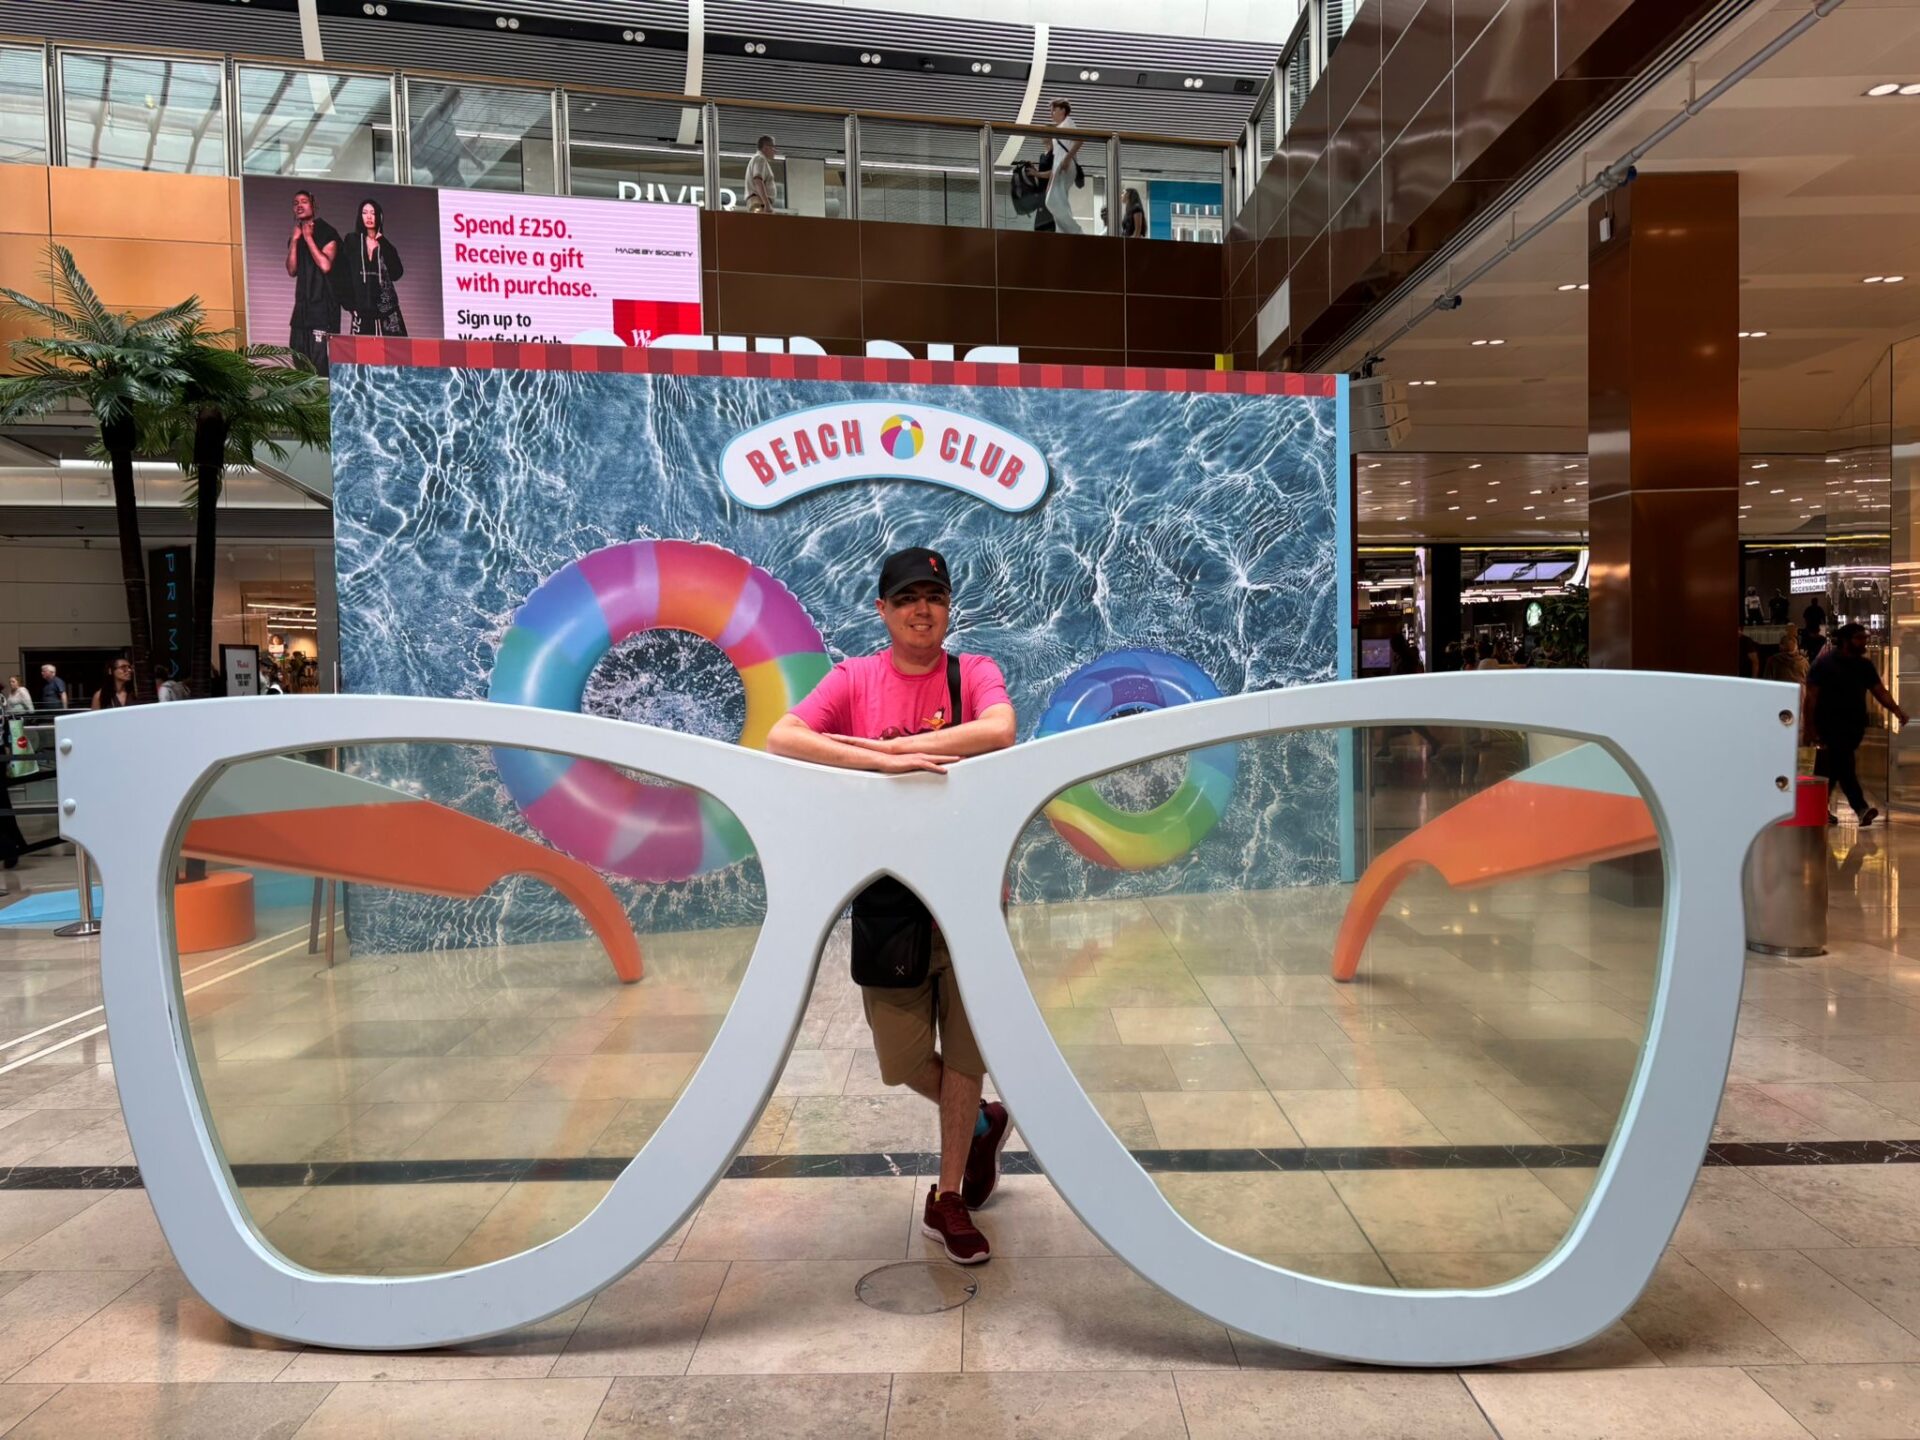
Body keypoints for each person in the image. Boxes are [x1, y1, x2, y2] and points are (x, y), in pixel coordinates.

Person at [767, 548, 1017, 1266]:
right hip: (887, 901)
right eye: (906, 598)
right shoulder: (855, 678)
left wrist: (906, 748)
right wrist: (882, 759)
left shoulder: (973, 672)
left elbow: (998, 731)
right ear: (882, 610)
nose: (921, 609)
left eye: (933, 596)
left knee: (964, 1053)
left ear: (948, 606)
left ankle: (948, 1198)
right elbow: (784, 738)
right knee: (901, 1058)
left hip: (969, 900)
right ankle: (981, 1126)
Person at [1805, 622, 1907, 827]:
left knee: (1833, 768)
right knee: (1844, 764)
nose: (1864, 642)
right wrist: (1810, 728)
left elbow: (1879, 691)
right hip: (1829, 724)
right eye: (1859, 638)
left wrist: (1896, 710)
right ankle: (1860, 808)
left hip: (1853, 726)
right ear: (1845, 640)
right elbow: (1811, 698)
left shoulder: (1864, 666)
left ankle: (1818, 808)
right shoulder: (1824, 664)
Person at [285, 189, 341, 375]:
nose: (299, 206)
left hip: (323, 313)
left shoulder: (327, 232)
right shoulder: (296, 236)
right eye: (295, 203)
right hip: (301, 313)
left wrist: (308, 237)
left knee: (321, 367)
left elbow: (325, 265)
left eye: (304, 201)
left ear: (313, 205)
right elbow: (292, 270)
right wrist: (295, 240)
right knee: (300, 366)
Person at [343, 198, 407, 337]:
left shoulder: (385, 245)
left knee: (393, 349)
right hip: (361, 308)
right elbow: (344, 273)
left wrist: (381, 240)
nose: (369, 217)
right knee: (362, 349)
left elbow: (397, 273)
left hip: (387, 309)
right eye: (365, 213)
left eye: (373, 213)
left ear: (379, 216)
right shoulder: (352, 241)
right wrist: (349, 304)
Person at [1040, 99, 1084, 235]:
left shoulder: (1068, 123)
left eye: (1054, 110)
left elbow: (1079, 140)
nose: (1051, 114)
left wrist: (1067, 158)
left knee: (1051, 201)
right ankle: (1063, 231)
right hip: (1060, 165)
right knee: (1060, 200)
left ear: (1063, 110)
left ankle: (1076, 231)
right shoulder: (1059, 128)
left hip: (1065, 164)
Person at [744, 135, 778, 214]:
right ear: (765, 147)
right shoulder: (760, 159)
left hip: (759, 202)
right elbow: (758, 181)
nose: (775, 150)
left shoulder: (758, 159)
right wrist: (767, 204)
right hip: (760, 202)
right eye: (773, 147)